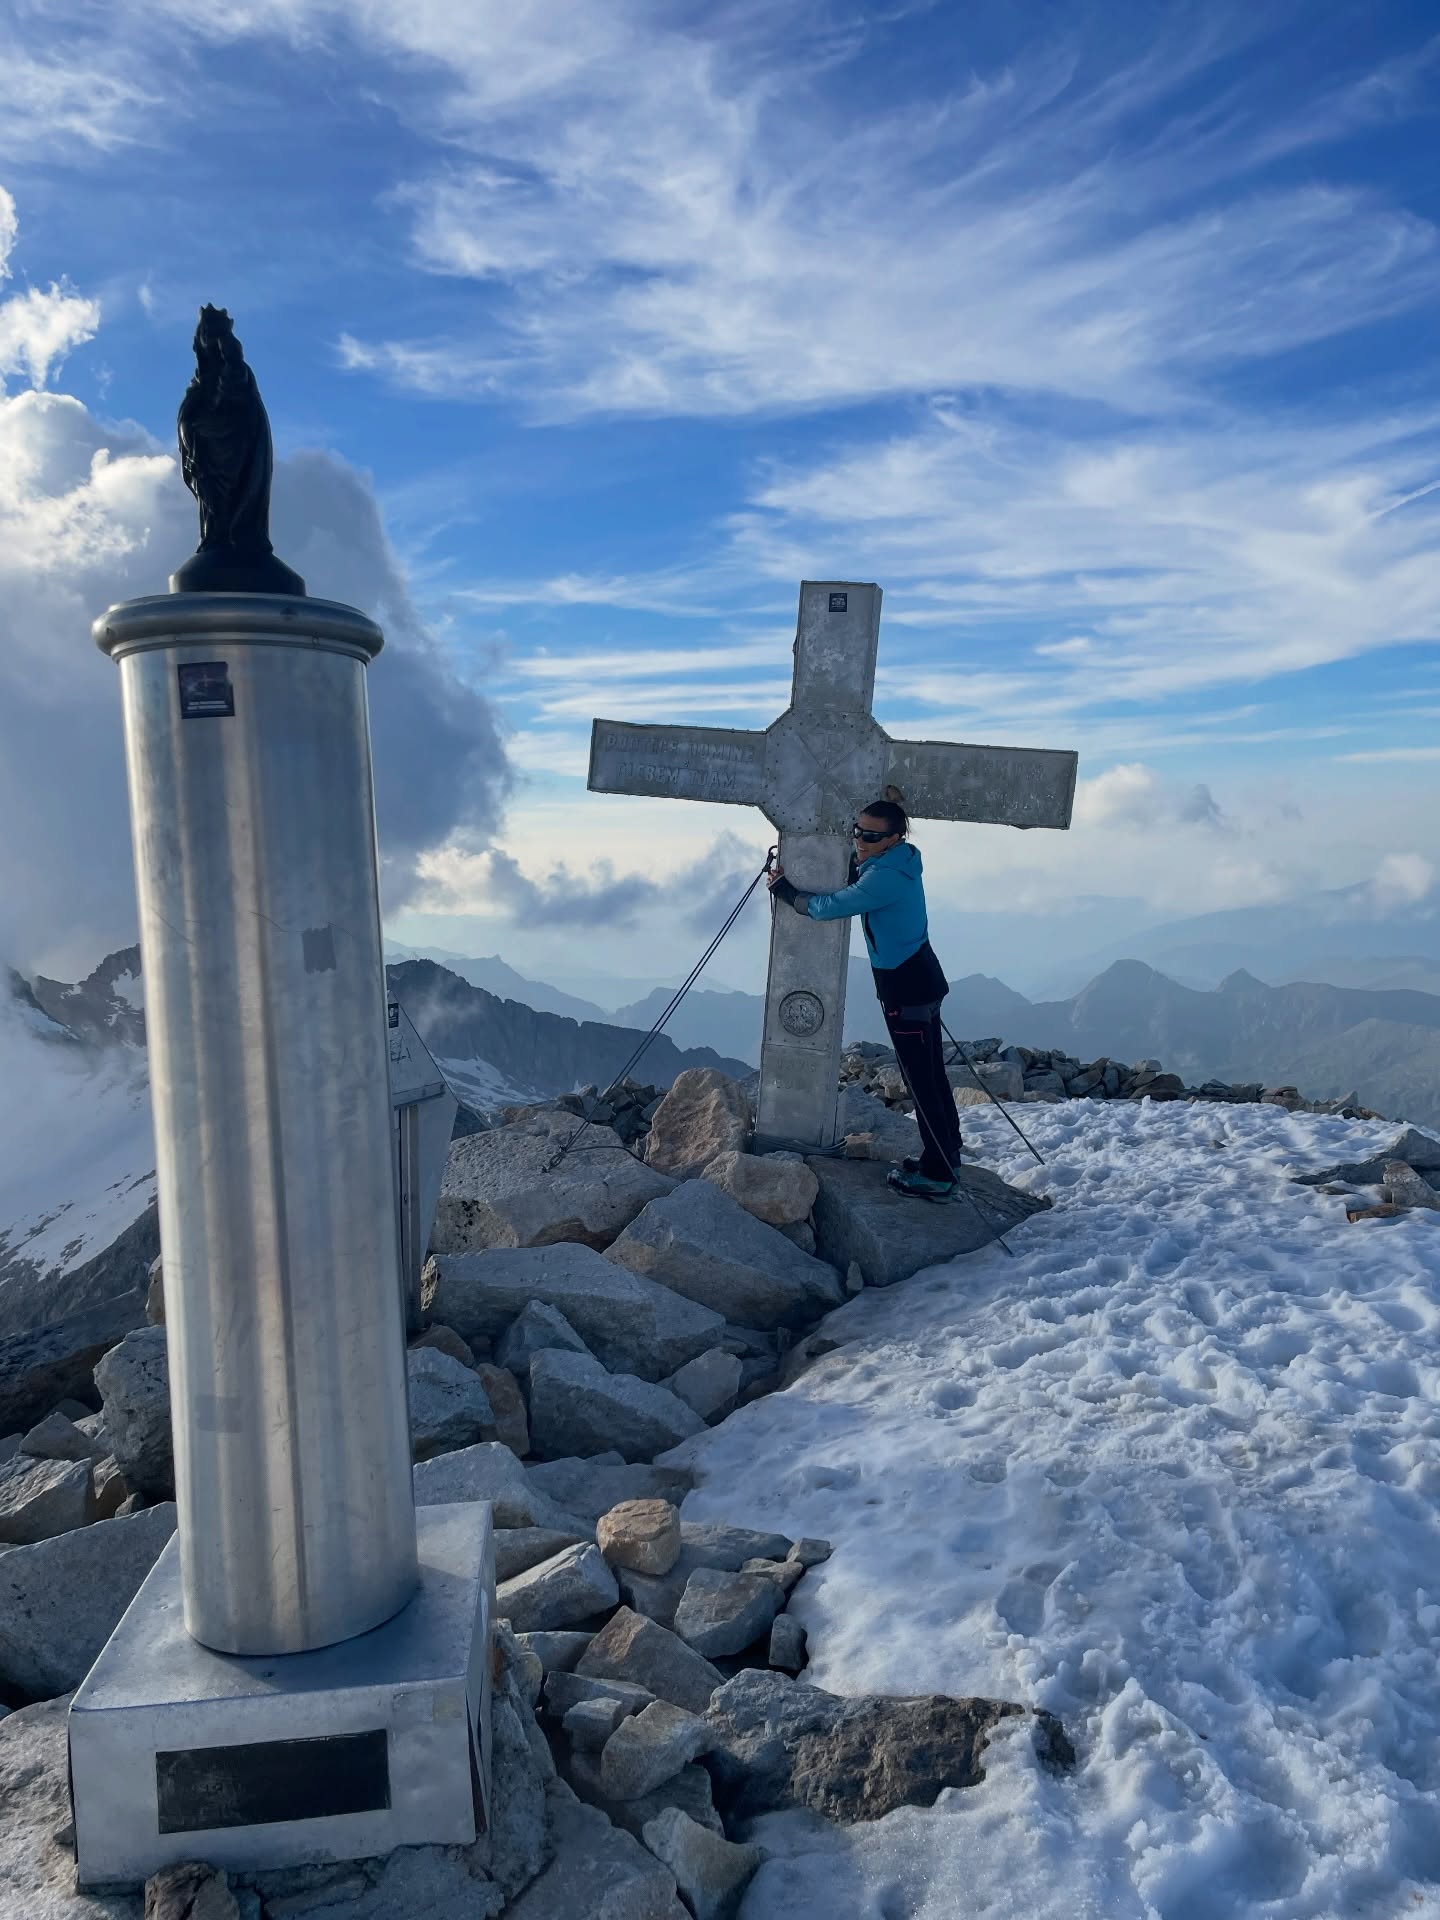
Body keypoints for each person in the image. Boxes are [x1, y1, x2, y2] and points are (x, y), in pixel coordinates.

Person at [767, 791, 963, 1200]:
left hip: (904, 987)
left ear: (893, 837)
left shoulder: (885, 878)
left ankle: (938, 1174)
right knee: (931, 1076)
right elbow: (862, 869)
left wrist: (786, 891)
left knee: (921, 1081)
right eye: (857, 832)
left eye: (871, 837)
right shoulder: (900, 860)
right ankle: (945, 1155)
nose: (860, 841)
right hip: (922, 977)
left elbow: (833, 905)